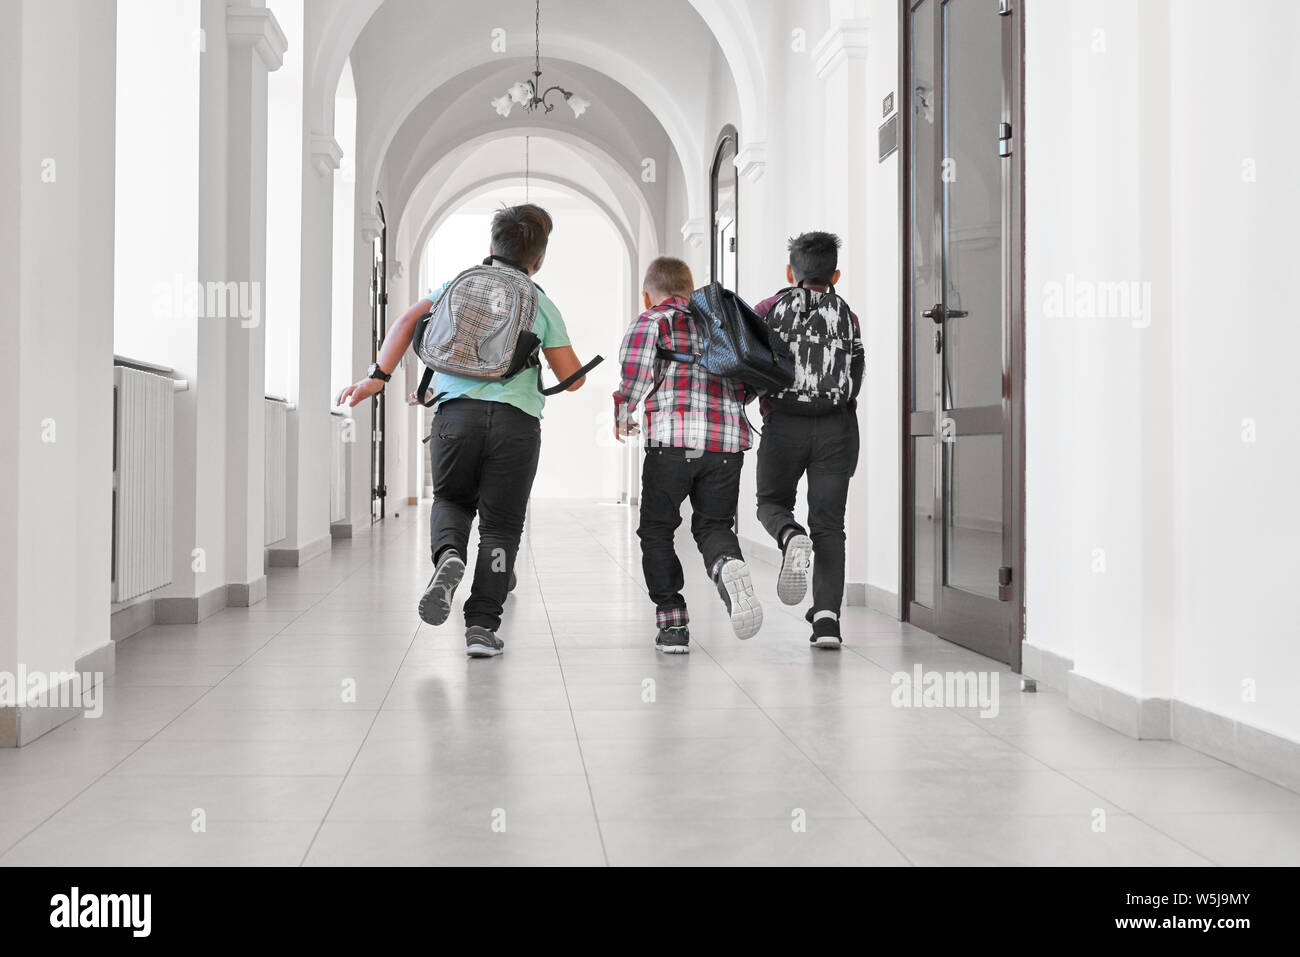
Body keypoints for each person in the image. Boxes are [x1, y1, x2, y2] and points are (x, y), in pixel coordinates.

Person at [336, 204, 590, 658]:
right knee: (502, 526)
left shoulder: (455, 285)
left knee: (452, 501)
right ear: (539, 259)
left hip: (454, 420)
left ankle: (449, 555)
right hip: (515, 426)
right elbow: (571, 378)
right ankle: (480, 627)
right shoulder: (540, 301)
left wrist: (377, 377)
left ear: (490, 247)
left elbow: (405, 321)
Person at [613, 256, 763, 654]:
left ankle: (673, 622)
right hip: (726, 442)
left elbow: (635, 372)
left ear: (648, 294)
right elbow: (748, 376)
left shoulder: (652, 321)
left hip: (672, 442)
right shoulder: (720, 322)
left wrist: (622, 413)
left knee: (658, 529)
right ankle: (725, 565)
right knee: (714, 526)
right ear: (689, 286)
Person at [752, 232, 864, 649]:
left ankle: (788, 536)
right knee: (830, 525)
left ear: (790, 272)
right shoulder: (847, 315)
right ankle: (827, 621)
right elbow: (856, 372)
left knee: (772, 504)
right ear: (835, 274)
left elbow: (750, 361)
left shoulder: (769, 308)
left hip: (783, 425)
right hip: (836, 428)